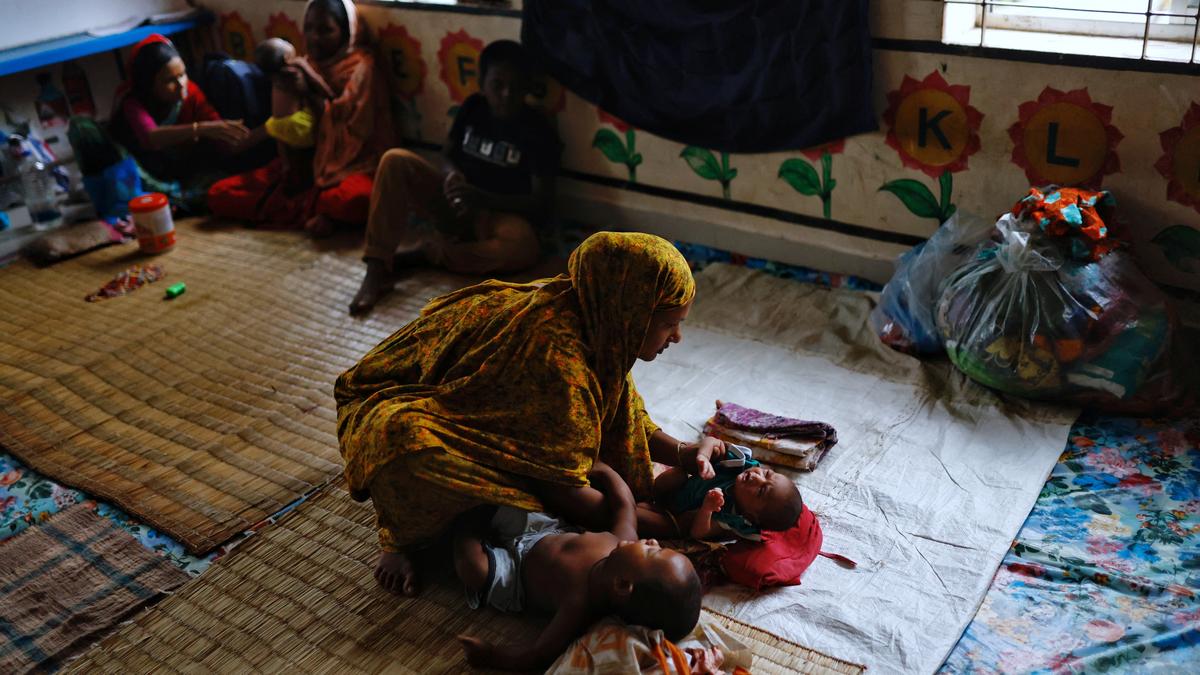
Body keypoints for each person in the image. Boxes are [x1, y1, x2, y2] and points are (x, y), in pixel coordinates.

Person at [335, 232, 713, 599]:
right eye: (669, 324)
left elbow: (624, 418)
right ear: (630, 313)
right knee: (407, 446)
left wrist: (685, 453)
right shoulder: (560, 362)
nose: (677, 336)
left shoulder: (598, 317)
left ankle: (475, 513)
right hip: (403, 412)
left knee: (531, 496)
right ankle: (404, 538)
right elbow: (566, 492)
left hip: (490, 420)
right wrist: (671, 524)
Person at [348, 39, 561, 315]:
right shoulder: (474, 107)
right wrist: (451, 175)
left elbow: (541, 202)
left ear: (527, 87)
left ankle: (429, 254)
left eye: (516, 86)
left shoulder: (538, 129)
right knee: (395, 160)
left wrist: (483, 198)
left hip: (498, 217)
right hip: (454, 203)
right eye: (498, 84)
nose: (507, 94)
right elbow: (446, 155)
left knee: (523, 247)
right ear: (482, 83)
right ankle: (376, 268)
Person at [452, 462, 702, 671]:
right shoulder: (618, 542)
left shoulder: (579, 604)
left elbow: (538, 654)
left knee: (474, 570)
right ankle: (476, 516)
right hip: (542, 529)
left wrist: (492, 656)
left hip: (515, 575)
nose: (652, 541)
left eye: (652, 551)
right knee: (506, 497)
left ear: (623, 584)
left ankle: (459, 529)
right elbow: (625, 506)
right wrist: (604, 470)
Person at [207, 0, 393, 235]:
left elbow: (354, 130)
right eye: (309, 28)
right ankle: (314, 210)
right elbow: (291, 129)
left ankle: (317, 210)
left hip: (352, 165)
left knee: (352, 201)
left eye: (325, 30)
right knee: (219, 194)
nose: (314, 37)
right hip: (303, 167)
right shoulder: (304, 65)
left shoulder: (363, 68)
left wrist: (310, 95)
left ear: (346, 32)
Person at [67, 34, 251, 212]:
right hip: (136, 172)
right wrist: (200, 129)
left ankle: (174, 199)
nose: (181, 84)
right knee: (82, 126)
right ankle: (153, 201)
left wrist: (265, 129)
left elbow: (222, 135)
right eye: (170, 80)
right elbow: (151, 138)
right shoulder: (132, 99)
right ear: (148, 83)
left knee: (223, 185)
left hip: (178, 171)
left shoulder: (191, 93)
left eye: (183, 74)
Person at [640, 444, 805, 541]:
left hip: (675, 516)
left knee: (672, 524)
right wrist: (704, 456)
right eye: (767, 473)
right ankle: (651, 497)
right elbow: (713, 442)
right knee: (677, 474)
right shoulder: (741, 463)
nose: (757, 477)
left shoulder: (731, 515)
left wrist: (707, 509)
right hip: (671, 490)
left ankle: (642, 506)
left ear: (749, 516)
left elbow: (698, 533)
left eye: (761, 490)